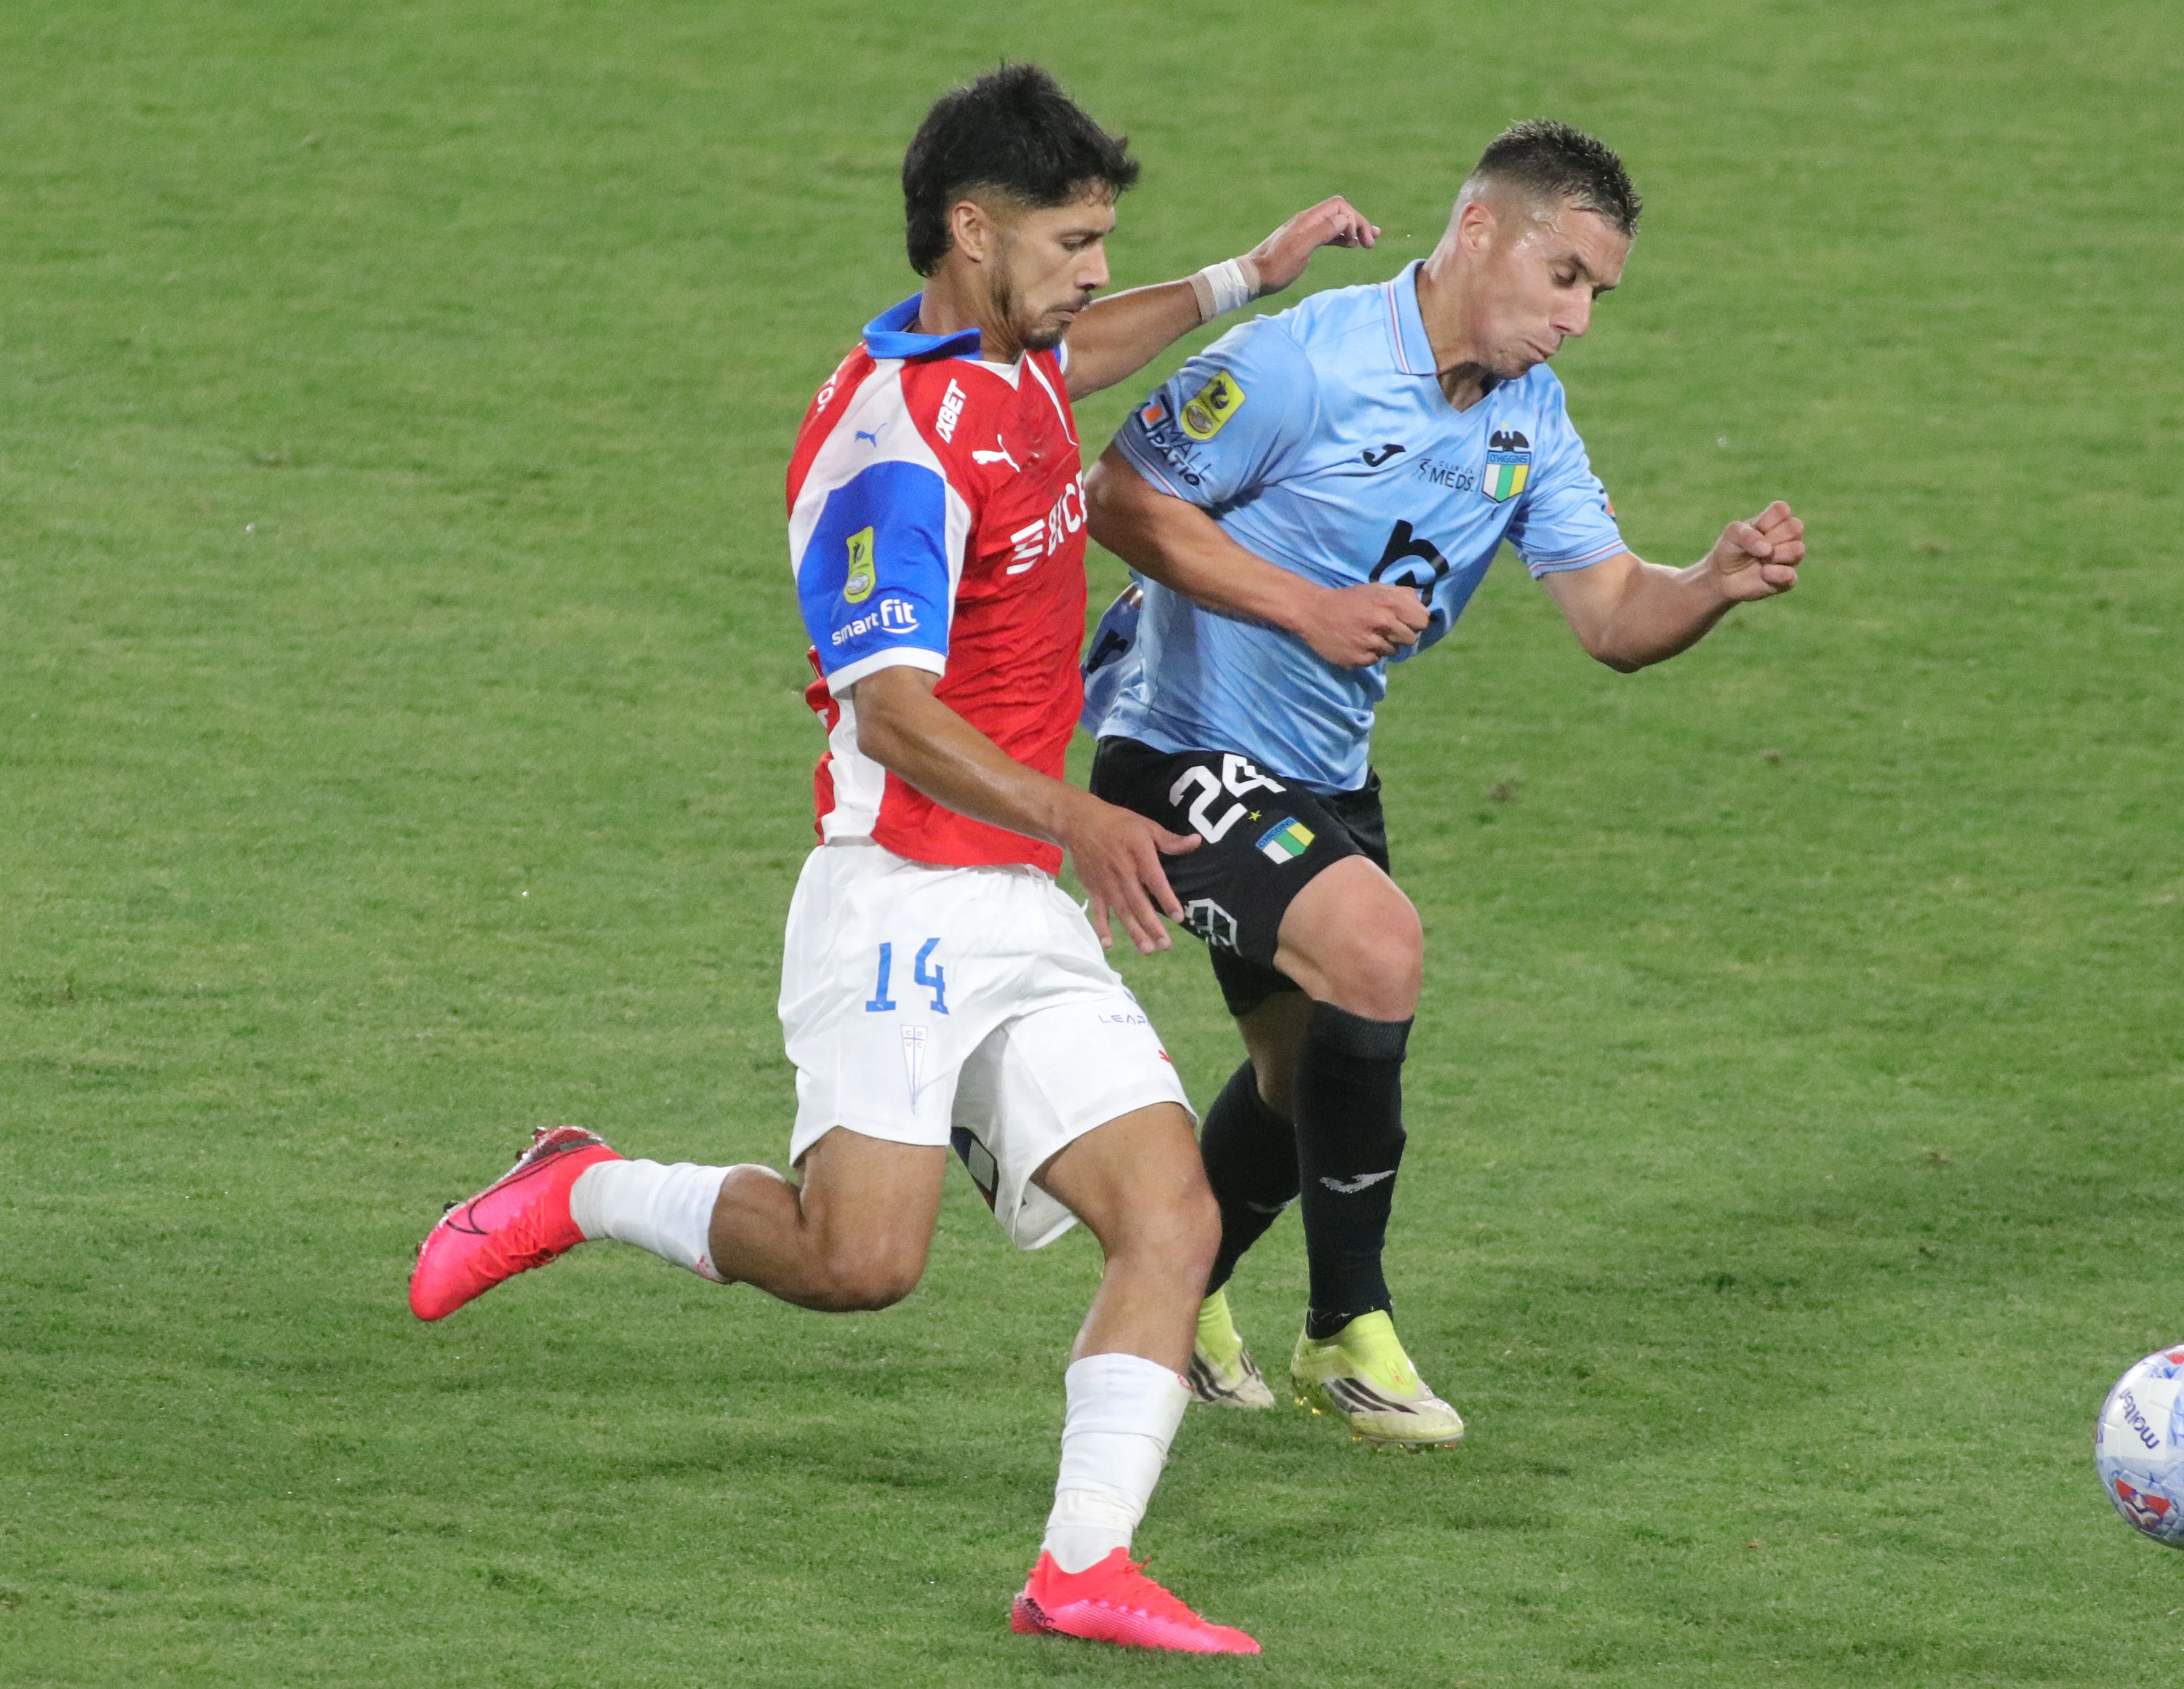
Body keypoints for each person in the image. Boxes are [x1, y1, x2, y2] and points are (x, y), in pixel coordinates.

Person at [407, 64, 1377, 1655]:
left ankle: (1081, 1564)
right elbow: (894, 711)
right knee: (858, 1262)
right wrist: (1076, 814)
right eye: (1072, 243)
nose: (1092, 274)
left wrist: (1242, 277)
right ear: (971, 230)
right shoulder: (889, 450)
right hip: (901, 894)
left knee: (1173, 1216)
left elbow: (1077, 360)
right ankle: (583, 1184)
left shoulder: (1010, 356)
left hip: (1018, 898)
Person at [1078, 120, 1806, 1448]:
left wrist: (1708, 583)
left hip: (1320, 771)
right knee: (1377, 947)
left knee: (1298, 1075)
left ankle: (1175, 1296)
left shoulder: (1530, 418)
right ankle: (1345, 1331)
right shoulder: (1302, 364)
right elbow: (1119, 499)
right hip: (1171, 741)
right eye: (1563, 275)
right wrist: (1305, 606)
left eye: (1598, 294)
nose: (1577, 317)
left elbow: (1610, 616)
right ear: (1477, 230)